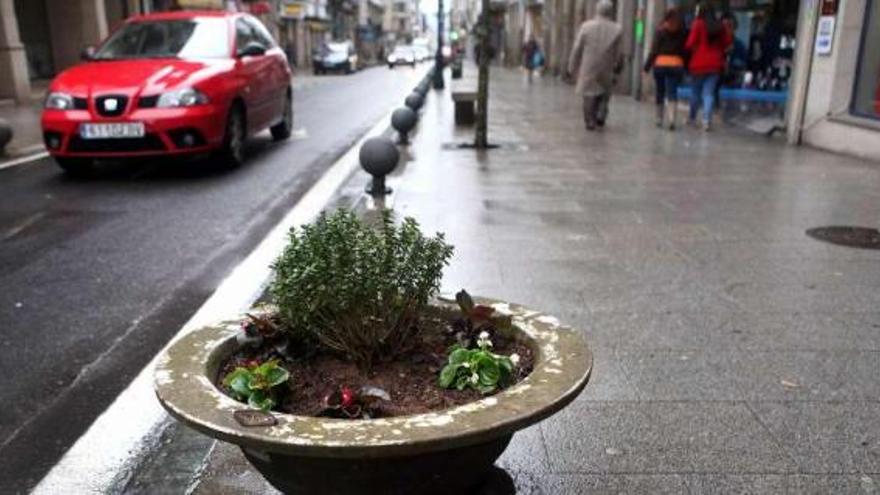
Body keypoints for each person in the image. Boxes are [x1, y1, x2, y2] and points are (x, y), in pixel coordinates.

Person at [567, 0, 623, 131]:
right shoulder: (617, 29)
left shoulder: (586, 26)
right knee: (604, 93)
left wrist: (571, 67)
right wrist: (618, 67)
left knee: (588, 94)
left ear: (597, 10)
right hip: (607, 67)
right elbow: (619, 53)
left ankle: (589, 120)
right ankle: (601, 115)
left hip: (589, 66)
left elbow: (577, 48)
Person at [685, 3, 732, 131]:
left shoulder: (698, 24)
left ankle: (692, 118)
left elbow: (689, 43)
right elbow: (727, 43)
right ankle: (706, 121)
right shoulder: (720, 26)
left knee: (695, 93)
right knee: (709, 93)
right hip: (715, 64)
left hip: (698, 64)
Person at [643, 7, 688, 130]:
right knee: (672, 91)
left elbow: (654, 50)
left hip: (660, 64)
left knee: (660, 91)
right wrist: (686, 64)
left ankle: (658, 118)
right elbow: (685, 51)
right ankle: (672, 119)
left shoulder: (660, 31)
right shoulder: (682, 32)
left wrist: (646, 67)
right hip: (676, 64)